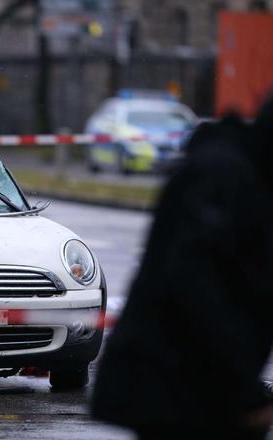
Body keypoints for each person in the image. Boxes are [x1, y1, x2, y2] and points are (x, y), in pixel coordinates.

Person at [91, 100, 273, 440]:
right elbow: (197, 290)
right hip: (177, 391)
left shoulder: (237, 174)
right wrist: (245, 393)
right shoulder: (224, 178)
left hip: (193, 387)